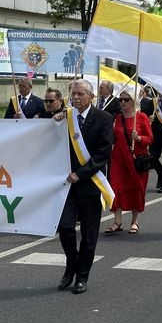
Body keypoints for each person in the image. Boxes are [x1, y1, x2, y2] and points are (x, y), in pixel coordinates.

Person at [55, 79, 113, 294]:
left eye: (80, 94)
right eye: (73, 94)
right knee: (65, 227)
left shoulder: (104, 119)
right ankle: (72, 264)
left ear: (91, 97)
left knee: (89, 235)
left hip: (90, 183)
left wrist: (80, 174)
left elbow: (103, 153)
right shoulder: (66, 117)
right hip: (67, 185)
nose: (76, 97)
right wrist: (56, 120)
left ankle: (82, 276)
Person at [105, 89, 153, 235]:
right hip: (118, 159)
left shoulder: (142, 117)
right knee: (115, 189)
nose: (122, 102)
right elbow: (113, 138)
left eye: (126, 100)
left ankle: (135, 221)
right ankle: (117, 222)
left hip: (136, 159)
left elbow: (150, 138)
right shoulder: (117, 118)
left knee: (136, 189)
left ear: (133, 101)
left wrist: (138, 138)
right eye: (121, 100)